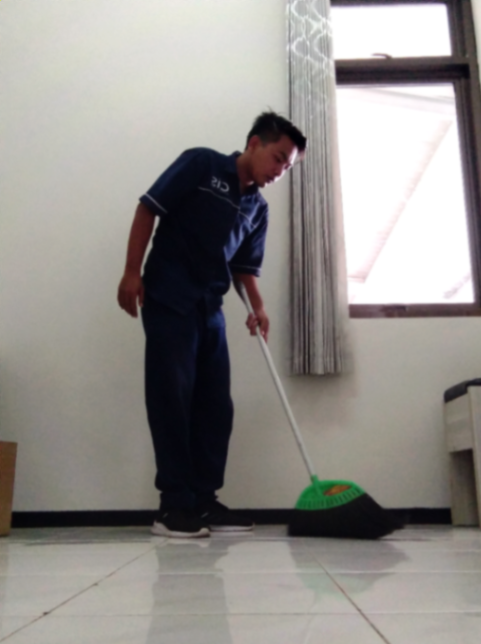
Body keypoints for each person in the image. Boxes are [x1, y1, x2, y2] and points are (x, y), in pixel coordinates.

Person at [117, 111, 307, 538]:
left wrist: (258, 306)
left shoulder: (257, 208)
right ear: (254, 143)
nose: (280, 171)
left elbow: (243, 268)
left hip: (211, 309)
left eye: (288, 167)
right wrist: (131, 272)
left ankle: (203, 501)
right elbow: (149, 207)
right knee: (172, 399)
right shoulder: (202, 165)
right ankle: (173, 507)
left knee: (216, 407)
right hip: (169, 297)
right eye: (278, 158)